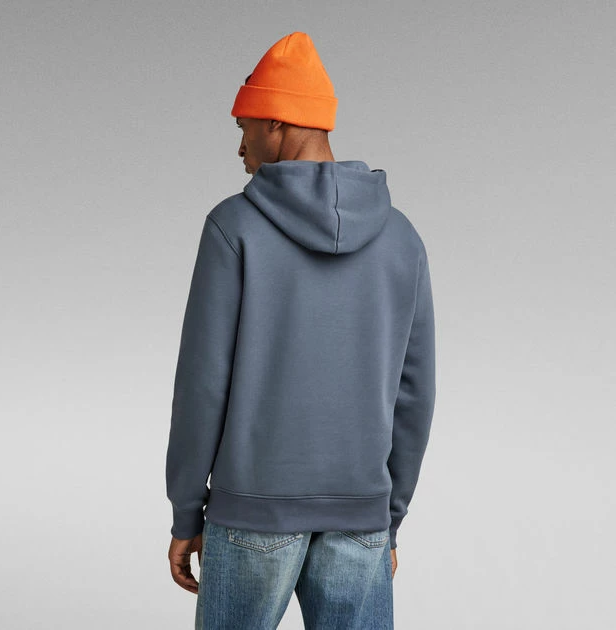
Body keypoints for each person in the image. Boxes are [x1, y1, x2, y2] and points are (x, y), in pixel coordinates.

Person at [165, 31, 436, 629]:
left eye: (245, 127)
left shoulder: (233, 227)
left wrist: (186, 513)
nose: (240, 146)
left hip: (251, 512)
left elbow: (202, 386)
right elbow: (414, 394)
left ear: (278, 122)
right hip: (360, 515)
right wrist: (388, 518)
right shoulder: (401, 238)